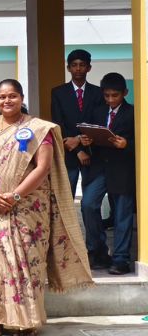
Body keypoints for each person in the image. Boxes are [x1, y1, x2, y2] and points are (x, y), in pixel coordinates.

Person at [0, 79, 93, 336]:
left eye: (12, 96)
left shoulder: (38, 128)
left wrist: (15, 195)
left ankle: (28, 322)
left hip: (29, 208)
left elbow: (42, 167)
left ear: (22, 98)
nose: (7, 101)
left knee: (28, 263)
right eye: (2, 97)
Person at [79, 72, 135, 275]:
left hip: (123, 169)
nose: (110, 100)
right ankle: (99, 252)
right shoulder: (98, 111)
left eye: (115, 95)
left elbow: (142, 141)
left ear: (125, 93)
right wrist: (87, 141)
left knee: (122, 214)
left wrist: (127, 144)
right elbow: (89, 134)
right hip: (100, 167)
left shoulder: (133, 113)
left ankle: (121, 259)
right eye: (107, 95)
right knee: (88, 205)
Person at [50, 49, 104, 197]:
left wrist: (80, 139)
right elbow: (58, 123)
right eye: (74, 65)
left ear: (89, 68)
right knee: (66, 198)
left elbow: (99, 123)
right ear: (68, 68)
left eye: (82, 65)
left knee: (90, 202)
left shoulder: (98, 93)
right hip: (68, 152)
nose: (78, 68)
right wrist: (77, 150)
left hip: (92, 151)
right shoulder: (58, 92)